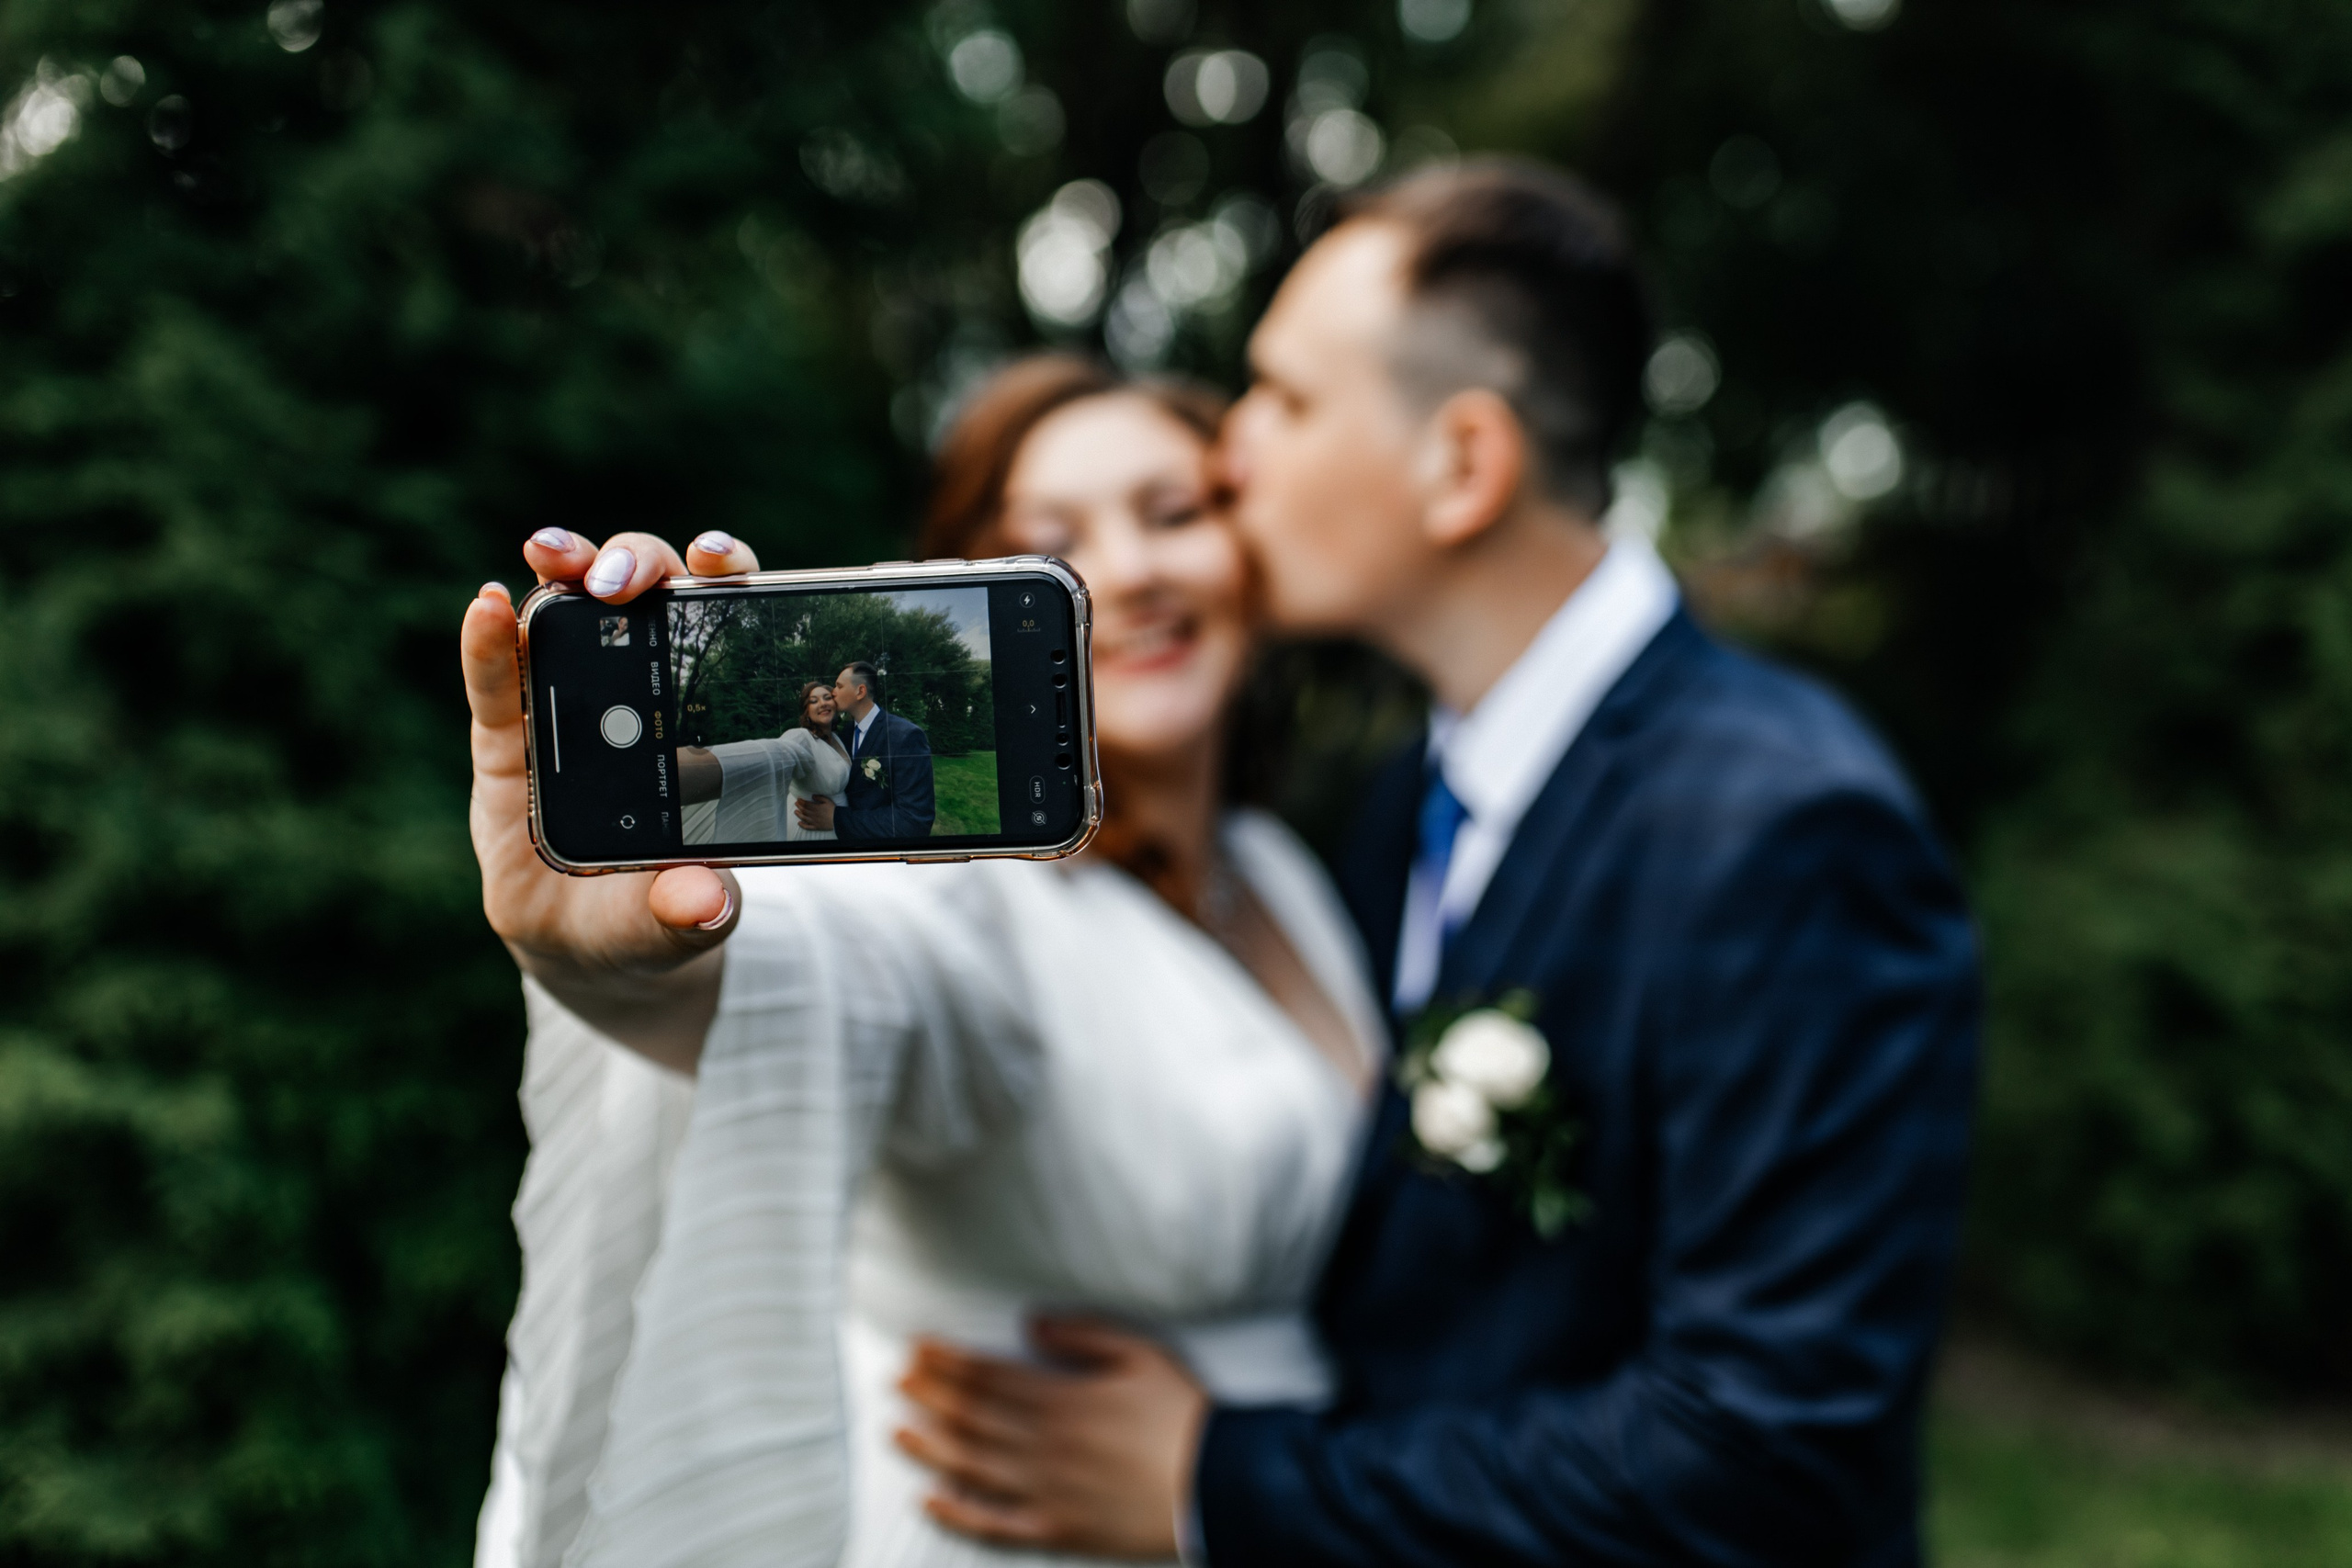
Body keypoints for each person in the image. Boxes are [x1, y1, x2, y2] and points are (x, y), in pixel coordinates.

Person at [889, 159, 1981, 1565]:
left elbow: (1769, 1448)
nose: (1232, 457)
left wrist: (1221, 1480)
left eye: (1284, 400)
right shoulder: (1393, 797)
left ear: (1463, 463)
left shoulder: (1787, 827)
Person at [463, 357, 1384, 1568]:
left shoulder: (1288, 876)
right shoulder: (971, 906)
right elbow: (825, 970)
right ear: (973, 583)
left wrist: (1231, 1476)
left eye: (1175, 513)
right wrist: (627, 958)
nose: (1131, 570)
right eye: (1052, 540)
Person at [680, 679, 853, 845]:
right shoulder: (802, 737)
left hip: (839, 826)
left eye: (827, 697)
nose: (823, 703)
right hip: (810, 831)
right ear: (806, 711)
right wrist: (711, 765)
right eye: (814, 701)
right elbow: (780, 752)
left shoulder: (838, 738)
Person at [796, 662, 935, 840]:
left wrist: (837, 819)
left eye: (839, 686)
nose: (833, 693)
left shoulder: (906, 737)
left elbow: (913, 822)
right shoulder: (843, 735)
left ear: (860, 692)